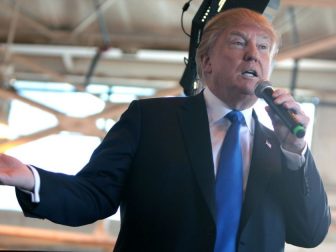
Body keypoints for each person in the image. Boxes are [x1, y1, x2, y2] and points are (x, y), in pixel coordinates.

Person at [0, 7, 331, 252]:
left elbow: (311, 232)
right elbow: (94, 196)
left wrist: (296, 153)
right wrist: (30, 177)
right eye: (238, 42)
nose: (252, 55)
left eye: (263, 47)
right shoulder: (151, 120)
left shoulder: (280, 146)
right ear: (207, 61)